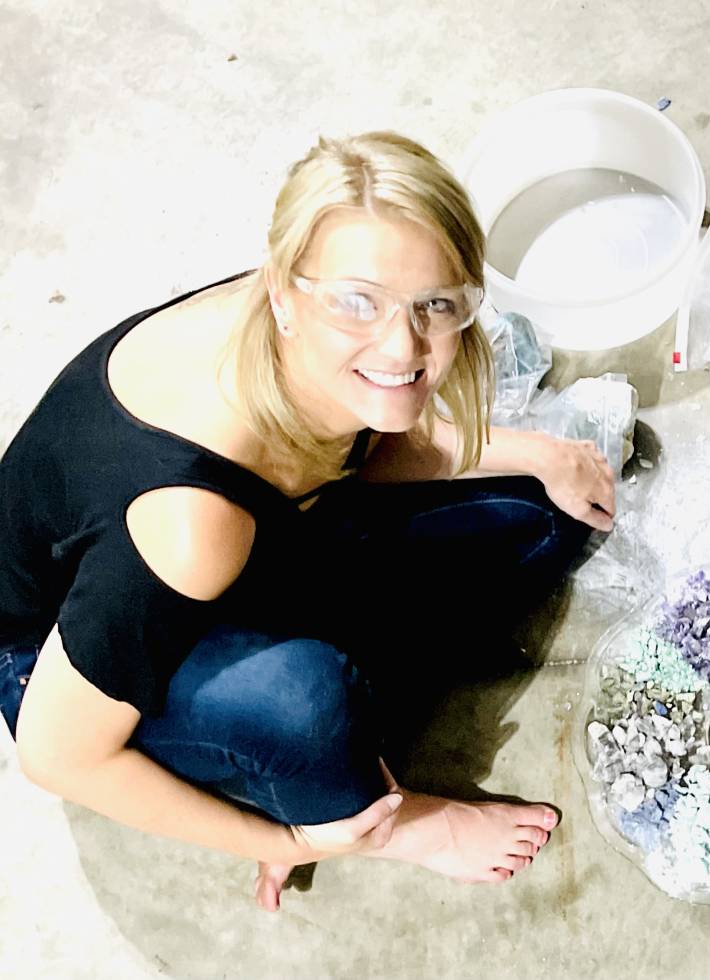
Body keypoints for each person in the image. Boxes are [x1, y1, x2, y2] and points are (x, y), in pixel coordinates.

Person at [0, 132, 617, 911]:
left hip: (250, 552)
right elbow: (57, 756)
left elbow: (360, 436)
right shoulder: (192, 522)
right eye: (360, 302)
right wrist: (291, 840)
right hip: (54, 665)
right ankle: (387, 819)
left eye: (436, 304)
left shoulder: (306, 316)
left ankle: (334, 731)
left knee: (543, 515)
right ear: (284, 293)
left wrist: (540, 454)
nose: (403, 343)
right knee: (309, 705)